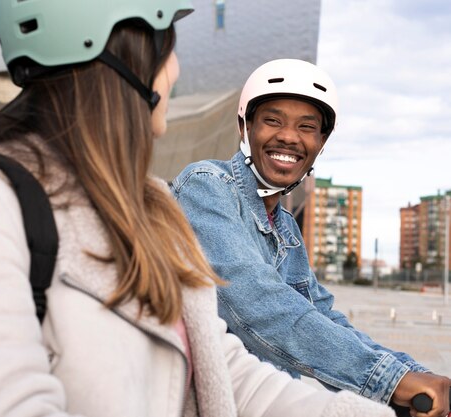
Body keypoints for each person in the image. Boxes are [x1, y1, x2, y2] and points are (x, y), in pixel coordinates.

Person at [0, 2, 396, 415]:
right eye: (167, 48)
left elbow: (224, 370)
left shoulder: (152, 208)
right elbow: (3, 403)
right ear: (121, 62)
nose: (176, 68)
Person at [170, 58, 451, 417]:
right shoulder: (206, 186)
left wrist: (414, 375)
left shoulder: (286, 229)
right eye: (273, 120)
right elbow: (258, 306)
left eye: (307, 127)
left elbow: (322, 317)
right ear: (245, 126)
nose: (289, 136)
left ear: (321, 142)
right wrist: (391, 381)